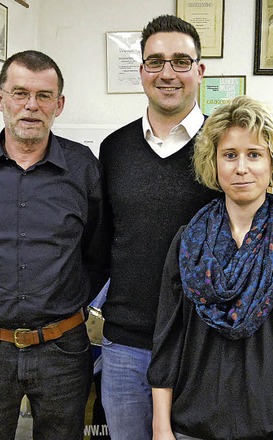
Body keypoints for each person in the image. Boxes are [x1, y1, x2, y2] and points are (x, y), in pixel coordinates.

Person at [148, 95, 273, 440]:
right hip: (190, 426)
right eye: (229, 155)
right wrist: (161, 427)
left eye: (254, 154)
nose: (241, 167)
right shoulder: (189, 242)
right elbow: (168, 337)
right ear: (214, 163)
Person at [0, 50, 109, 440]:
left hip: (64, 347)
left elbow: (97, 251)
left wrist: (67, 300)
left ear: (60, 104)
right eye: (20, 93)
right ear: (0, 98)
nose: (31, 106)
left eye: (43, 95)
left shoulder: (84, 167)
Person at [99, 15, 218, 439]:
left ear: (200, 71)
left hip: (201, 344)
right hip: (126, 345)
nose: (167, 73)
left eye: (181, 61)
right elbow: (104, 242)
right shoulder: (113, 149)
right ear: (142, 72)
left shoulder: (225, 149)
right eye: (156, 62)